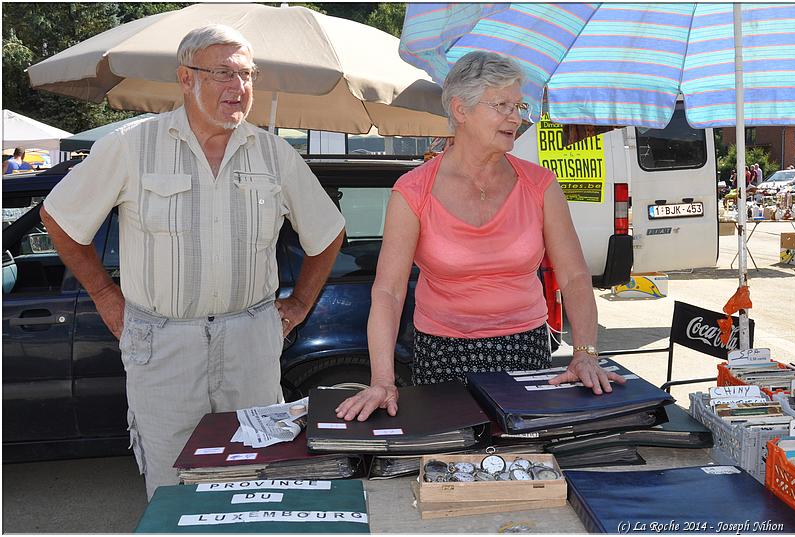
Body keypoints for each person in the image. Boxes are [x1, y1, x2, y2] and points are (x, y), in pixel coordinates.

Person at [40, 24, 345, 499]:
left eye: (247, 75)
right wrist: (104, 294)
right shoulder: (131, 146)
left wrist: (302, 301)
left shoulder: (275, 153)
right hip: (163, 341)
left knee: (256, 475)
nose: (239, 88)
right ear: (186, 78)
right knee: (173, 482)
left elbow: (327, 233)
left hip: (250, 340)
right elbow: (58, 217)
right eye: (224, 73)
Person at [336, 51, 625, 423]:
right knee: (452, 464)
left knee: (524, 461)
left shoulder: (540, 184)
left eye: (518, 105)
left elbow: (573, 275)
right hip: (443, 350)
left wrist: (585, 352)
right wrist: (381, 380)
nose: (516, 117)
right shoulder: (413, 191)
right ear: (460, 109)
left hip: (525, 345)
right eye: (502, 105)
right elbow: (389, 292)